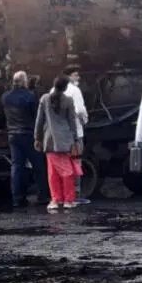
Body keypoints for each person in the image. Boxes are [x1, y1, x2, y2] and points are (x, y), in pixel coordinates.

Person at [34, 76, 80, 211]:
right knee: (68, 171)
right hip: (66, 140)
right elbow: (72, 122)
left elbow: (39, 121)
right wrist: (75, 140)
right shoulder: (68, 100)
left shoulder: (44, 99)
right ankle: (68, 200)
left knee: (52, 171)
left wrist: (37, 138)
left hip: (49, 140)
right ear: (65, 88)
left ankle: (55, 199)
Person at [3, 71, 46, 207]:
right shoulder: (30, 96)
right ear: (23, 81)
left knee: (17, 167)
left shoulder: (5, 97)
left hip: (12, 134)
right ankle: (43, 195)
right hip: (28, 134)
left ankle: (17, 197)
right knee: (38, 165)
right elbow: (36, 114)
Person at [64, 68, 90, 205]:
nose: (78, 78)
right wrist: (85, 120)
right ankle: (76, 194)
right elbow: (80, 110)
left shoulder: (53, 91)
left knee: (63, 164)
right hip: (75, 134)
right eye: (75, 75)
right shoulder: (74, 90)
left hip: (61, 135)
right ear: (68, 77)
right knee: (75, 163)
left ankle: (63, 194)